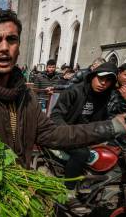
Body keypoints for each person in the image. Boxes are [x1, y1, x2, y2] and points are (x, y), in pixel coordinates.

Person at [0, 8, 126, 211]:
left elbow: (54, 134)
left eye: (11, 40)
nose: (4, 47)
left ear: (19, 46)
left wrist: (112, 126)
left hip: (17, 198)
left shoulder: (25, 96)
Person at [50, 62, 118, 206]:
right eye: (101, 79)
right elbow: (55, 116)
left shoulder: (105, 97)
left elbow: (105, 120)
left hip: (88, 137)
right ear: (92, 76)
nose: (103, 83)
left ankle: (88, 186)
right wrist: (70, 133)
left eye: (108, 81)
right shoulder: (73, 91)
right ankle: (68, 191)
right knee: (81, 153)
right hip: (64, 135)